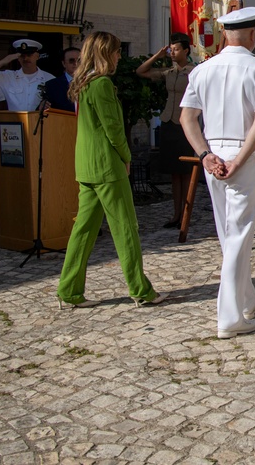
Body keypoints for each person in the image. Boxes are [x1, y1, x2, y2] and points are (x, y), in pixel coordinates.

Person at [180, 7, 255, 339]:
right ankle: (230, 317)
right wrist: (239, 160)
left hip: (213, 151)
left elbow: (187, 118)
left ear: (224, 34)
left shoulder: (202, 69)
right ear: (251, 34)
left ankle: (246, 299)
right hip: (242, 151)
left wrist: (205, 154)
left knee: (227, 231)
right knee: (238, 234)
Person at [56, 32, 166, 309]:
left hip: (86, 165)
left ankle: (69, 289)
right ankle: (140, 289)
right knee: (126, 228)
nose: (119, 56)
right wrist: (126, 157)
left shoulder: (83, 82)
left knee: (83, 231)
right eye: (117, 51)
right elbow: (113, 128)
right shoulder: (102, 83)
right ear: (106, 53)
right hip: (107, 165)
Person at [136, 33, 196, 228]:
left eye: (176, 49)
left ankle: (187, 214)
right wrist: (157, 56)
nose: (172, 52)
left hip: (185, 124)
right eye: (171, 49)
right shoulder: (168, 72)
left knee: (185, 171)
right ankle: (175, 214)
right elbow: (141, 71)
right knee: (173, 172)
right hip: (169, 123)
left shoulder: (194, 71)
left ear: (186, 50)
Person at [0, 39, 54, 112]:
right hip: (15, 124)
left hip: (40, 123)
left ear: (37, 56)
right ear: (18, 58)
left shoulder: (50, 78)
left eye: (29, 55)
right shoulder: (8, 76)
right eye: (22, 56)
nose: (26, 58)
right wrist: (3, 61)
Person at [44, 47, 81, 112]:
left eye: (79, 60)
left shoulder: (91, 82)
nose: (76, 63)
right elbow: (45, 108)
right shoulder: (52, 85)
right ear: (64, 63)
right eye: (71, 60)